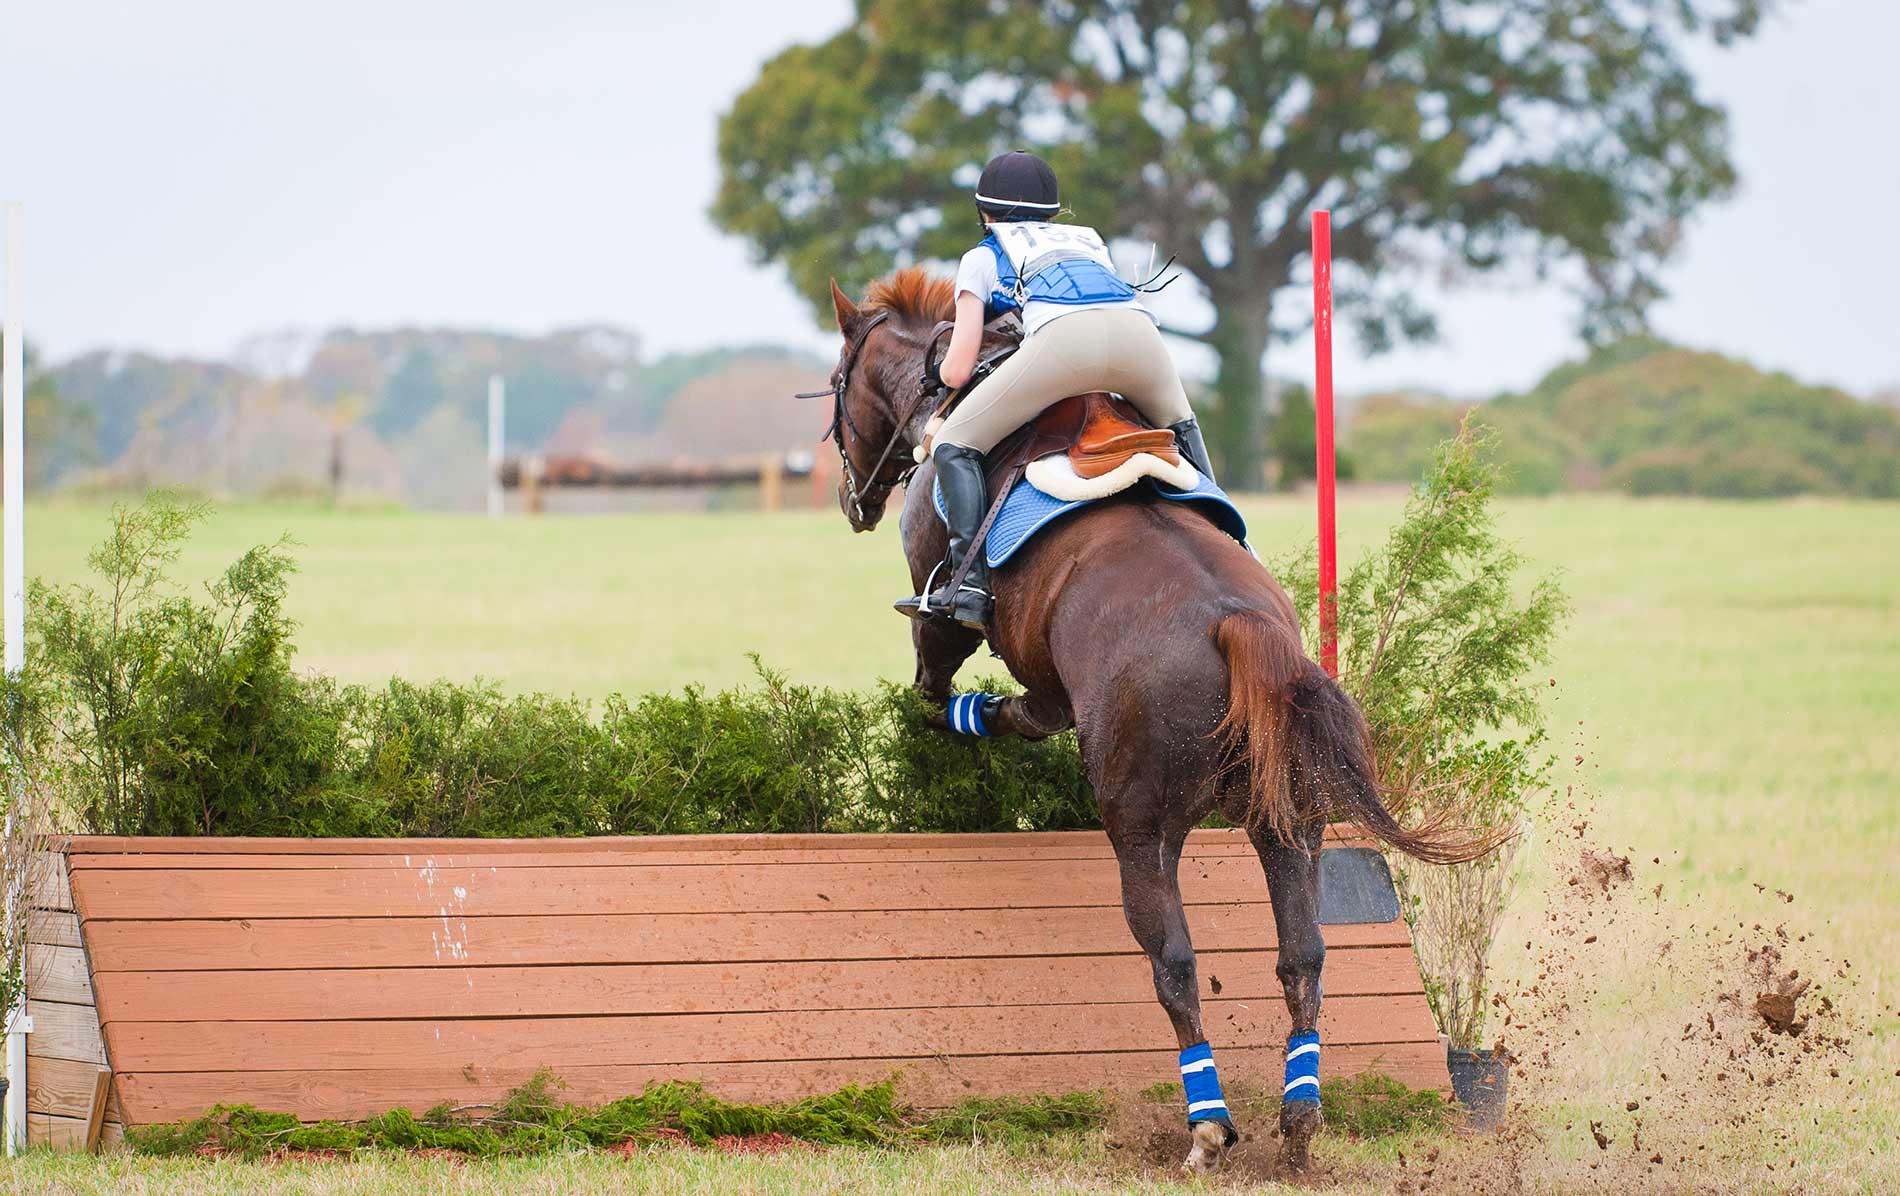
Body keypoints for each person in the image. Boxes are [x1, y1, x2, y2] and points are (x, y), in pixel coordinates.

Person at [897, 150, 1215, 630]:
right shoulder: (1089, 242)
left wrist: (937, 374)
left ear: (984, 213)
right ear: (1052, 212)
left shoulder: (981, 257)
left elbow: (960, 370)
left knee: (952, 443)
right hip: (1142, 339)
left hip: (1068, 346)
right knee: (1181, 426)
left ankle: (968, 586)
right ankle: (1231, 540)